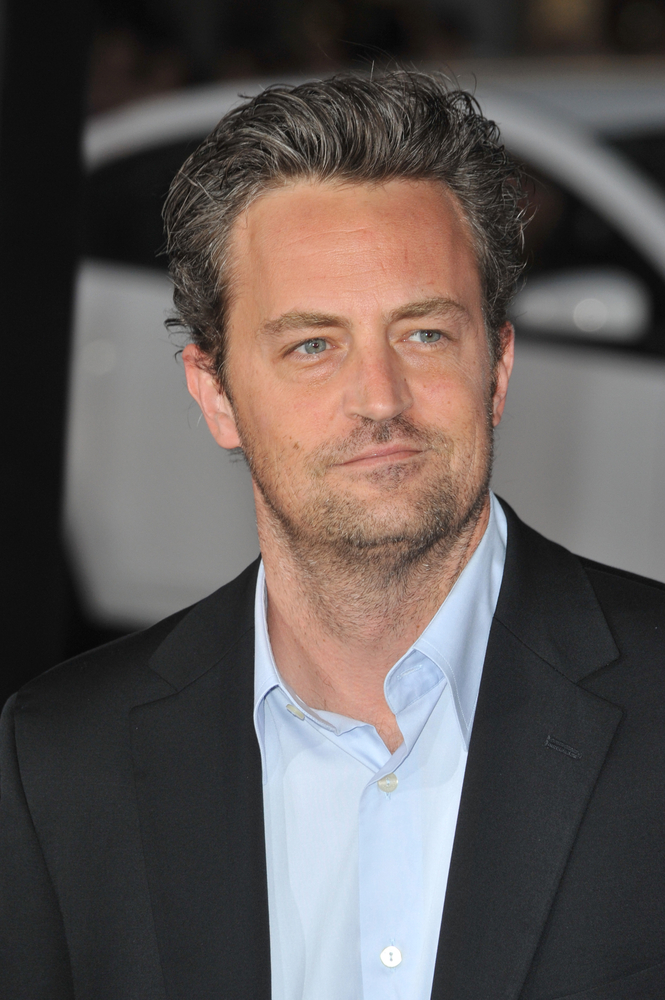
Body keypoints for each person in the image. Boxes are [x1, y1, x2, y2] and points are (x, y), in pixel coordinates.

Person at [1, 71, 664, 1000]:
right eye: (312, 345)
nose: (379, 400)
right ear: (215, 394)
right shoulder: (64, 764)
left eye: (424, 334)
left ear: (498, 367)